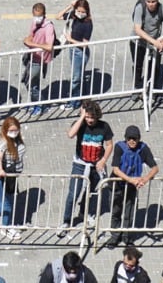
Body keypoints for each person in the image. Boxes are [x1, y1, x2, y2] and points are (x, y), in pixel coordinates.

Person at [56, 100, 113, 237]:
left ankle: (86, 213)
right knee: (73, 194)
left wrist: (103, 160)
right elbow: (70, 134)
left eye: (92, 117)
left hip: (96, 165)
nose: (90, 120)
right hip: (80, 164)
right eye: (87, 117)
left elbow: (110, 145)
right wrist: (81, 116)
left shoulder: (104, 126)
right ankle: (66, 221)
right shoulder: (80, 124)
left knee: (92, 192)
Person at [102, 125, 158, 248]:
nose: (132, 141)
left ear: (139, 139)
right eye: (129, 138)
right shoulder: (119, 147)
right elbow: (115, 169)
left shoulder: (143, 149)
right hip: (117, 185)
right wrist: (131, 180)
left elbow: (155, 168)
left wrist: (145, 179)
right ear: (125, 138)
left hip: (131, 188)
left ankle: (127, 238)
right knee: (116, 212)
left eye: (135, 138)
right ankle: (115, 236)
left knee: (130, 213)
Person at [0, 117, 25, 240]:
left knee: (0, 194)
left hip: (11, 174)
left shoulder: (15, 140)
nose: (14, 133)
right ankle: (6, 227)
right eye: (11, 131)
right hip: (2, 174)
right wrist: (0, 170)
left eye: (16, 130)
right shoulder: (3, 141)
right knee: (7, 201)